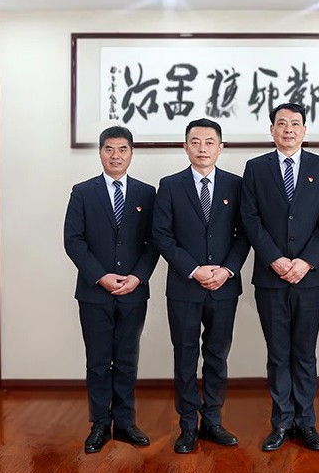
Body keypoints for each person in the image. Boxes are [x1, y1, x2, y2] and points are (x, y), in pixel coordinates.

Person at [240, 102, 319, 452]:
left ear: (304, 130)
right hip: (271, 277)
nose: (288, 129)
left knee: (305, 353)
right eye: (281, 123)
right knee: (278, 353)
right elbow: (250, 218)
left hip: (310, 278)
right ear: (272, 130)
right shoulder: (256, 168)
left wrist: (306, 261)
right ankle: (282, 422)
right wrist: (276, 259)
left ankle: (306, 423)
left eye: (295, 123)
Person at [152, 118, 250, 454]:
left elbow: (244, 234)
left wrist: (227, 270)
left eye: (210, 142)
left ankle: (212, 421)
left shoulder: (236, 185)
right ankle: (187, 426)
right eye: (195, 142)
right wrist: (193, 270)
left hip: (224, 286)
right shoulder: (170, 185)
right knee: (185, 355)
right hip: (184, 286)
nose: (202, 148)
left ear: (221, 148)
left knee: (217, 355)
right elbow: (161, 235)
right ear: (185, 147)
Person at [64, 126, 159, 454]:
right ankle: (100, 423)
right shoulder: (82, 192)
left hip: (134, 291)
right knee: (98, 359)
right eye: (109, 149)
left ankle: (126, 422)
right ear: (100, 152)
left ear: (131, 153)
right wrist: (100, 276)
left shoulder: (147, 193)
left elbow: (154, 242)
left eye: (122, 149)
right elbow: (73, 240)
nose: (115, 156)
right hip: (94, 292)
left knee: (127, 358)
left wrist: (138, 277)